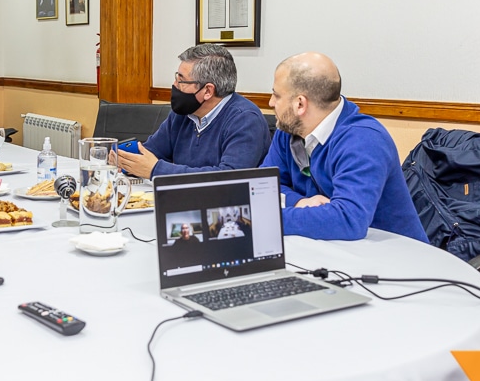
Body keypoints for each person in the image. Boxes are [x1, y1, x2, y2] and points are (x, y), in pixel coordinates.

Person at [260, 52, 428, 242]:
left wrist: (262, 221)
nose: (271, 103)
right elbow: (263, 188)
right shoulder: (289, 130)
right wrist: (299, 202)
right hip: (329, 253)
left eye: (276, 95)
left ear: (300, 104)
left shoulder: (364, 139)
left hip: (396, 260)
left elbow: (348, 220)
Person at [116, 44, 271, 179]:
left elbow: (229, 177)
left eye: (181, 80)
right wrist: (123, 159)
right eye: (176, 78)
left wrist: (157, 170)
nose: (174, 85)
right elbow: (150, 153)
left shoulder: (245, 120)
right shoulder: (183, 113)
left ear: (208, 91)